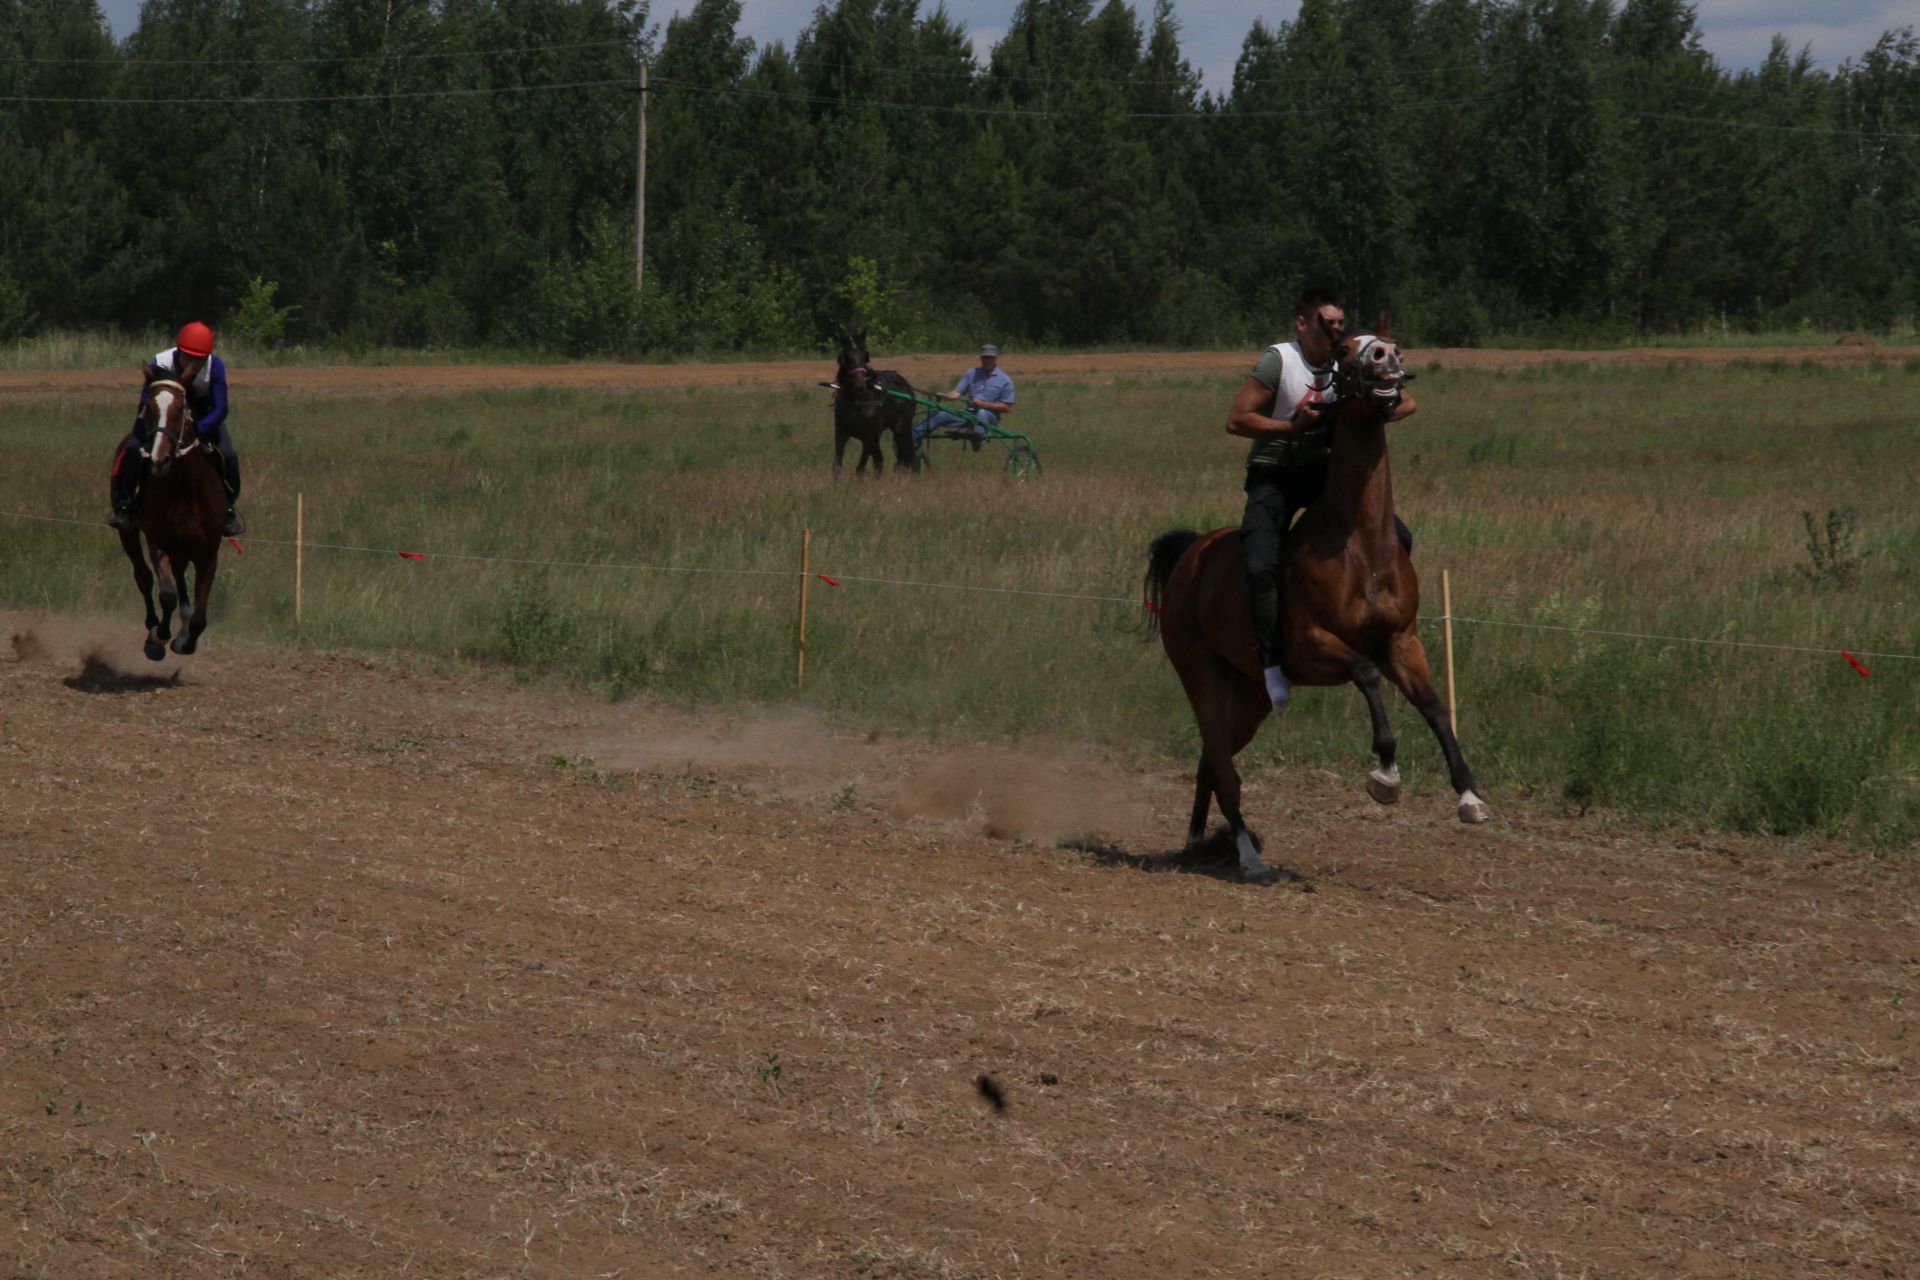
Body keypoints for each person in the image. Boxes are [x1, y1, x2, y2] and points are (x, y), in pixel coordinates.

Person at [1224, 288, 1416, 711]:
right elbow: (1237, 420)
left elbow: (1407, 402)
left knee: (1398, 536)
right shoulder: (1279, 360)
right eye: (1325, 323)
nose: (1334, 330)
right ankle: (1272, 664)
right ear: (1302, 323)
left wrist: (1377, 407)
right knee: (1260, 564)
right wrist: (1290, 428)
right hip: (1274, 475)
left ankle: (1375, 628)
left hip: (1323, 476)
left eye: (1338, 324)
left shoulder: (1343, 361)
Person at [111, 321, 244, 537]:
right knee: (133, 449)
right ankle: (125, 506)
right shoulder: (161, 362)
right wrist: (155, 427)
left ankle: (228, 509)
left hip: (203, 416)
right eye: (187, 356)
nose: (192, 362)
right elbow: (146, 401)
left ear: (206, 357)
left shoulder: (216, 367)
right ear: (179, 351)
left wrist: (198, 429)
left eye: (198, 359)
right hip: (161, 416)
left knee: (228, 456)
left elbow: (221, 408)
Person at [915, 343, 1016, 450]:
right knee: (941, 414)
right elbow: (956, 394)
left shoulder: (1005, 380)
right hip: (969, 415)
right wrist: (944, 395)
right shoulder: (971, 373)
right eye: (985, 357)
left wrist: (984, 405)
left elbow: (1006, 407)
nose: (987, 360)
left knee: (982, 412)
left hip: (990, 418)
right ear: (981, 358)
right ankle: (913, 436)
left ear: (995, 358)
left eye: (990, 358)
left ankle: (977, 439)